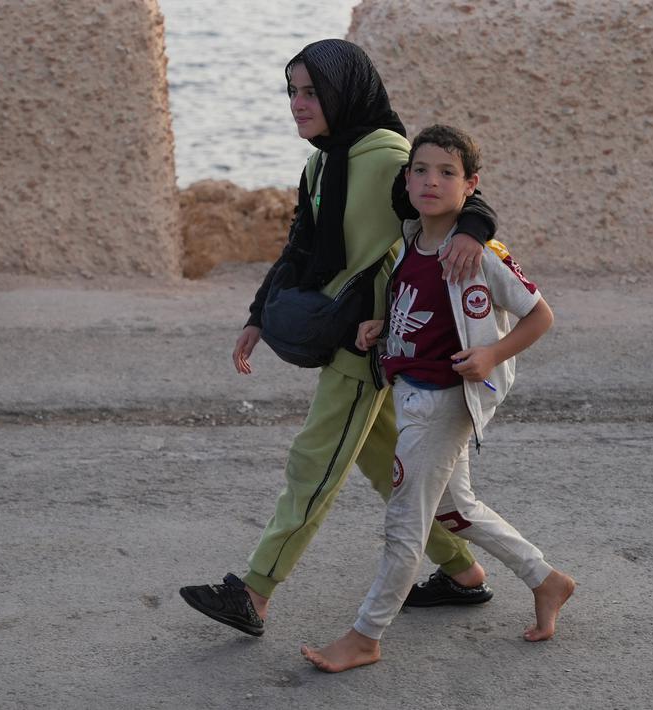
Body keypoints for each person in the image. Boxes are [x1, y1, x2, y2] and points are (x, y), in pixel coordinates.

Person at [178, 40, 502, 637]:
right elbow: (300, 246)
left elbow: (459, 198)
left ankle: (255, 591)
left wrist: (475, 231)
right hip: (348, 334)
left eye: (312, 92)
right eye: (293, 92)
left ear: (343, 91)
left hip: (371, 345)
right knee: (385, 466)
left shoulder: (386, 156)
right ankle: (463, 573)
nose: (300, 104)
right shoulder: (323, 159)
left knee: (315, 460)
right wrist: (257, 316)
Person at [300, 125, 576, 673]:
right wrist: (383, 326)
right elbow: (421, 307)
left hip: (444, 401)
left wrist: (493, 354)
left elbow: (540, 314)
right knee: (454, 509)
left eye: (447, 172)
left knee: (406, 524)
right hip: (410, 393)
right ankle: (546, 579)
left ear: (470, 186)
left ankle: (365, 636)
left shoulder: (479, 253)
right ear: (407, 178)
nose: (431, 181)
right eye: (421, 170)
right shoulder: (410, 241)